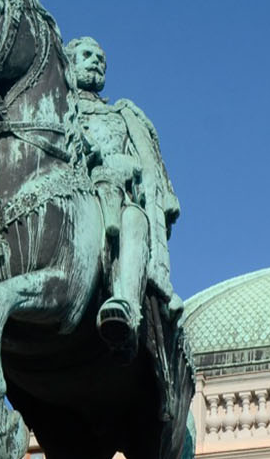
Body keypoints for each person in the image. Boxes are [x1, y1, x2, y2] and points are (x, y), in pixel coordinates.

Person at [63, 36, 182, 356]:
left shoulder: (119, 115)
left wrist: (119, 165)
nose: (96, 62)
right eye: (86, 56)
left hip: (113, 195)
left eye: (100, 58)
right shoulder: (51, 108)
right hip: (62, 193)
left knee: (134, 218)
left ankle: (126, 306)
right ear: (68, 62)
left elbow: (141, 164)